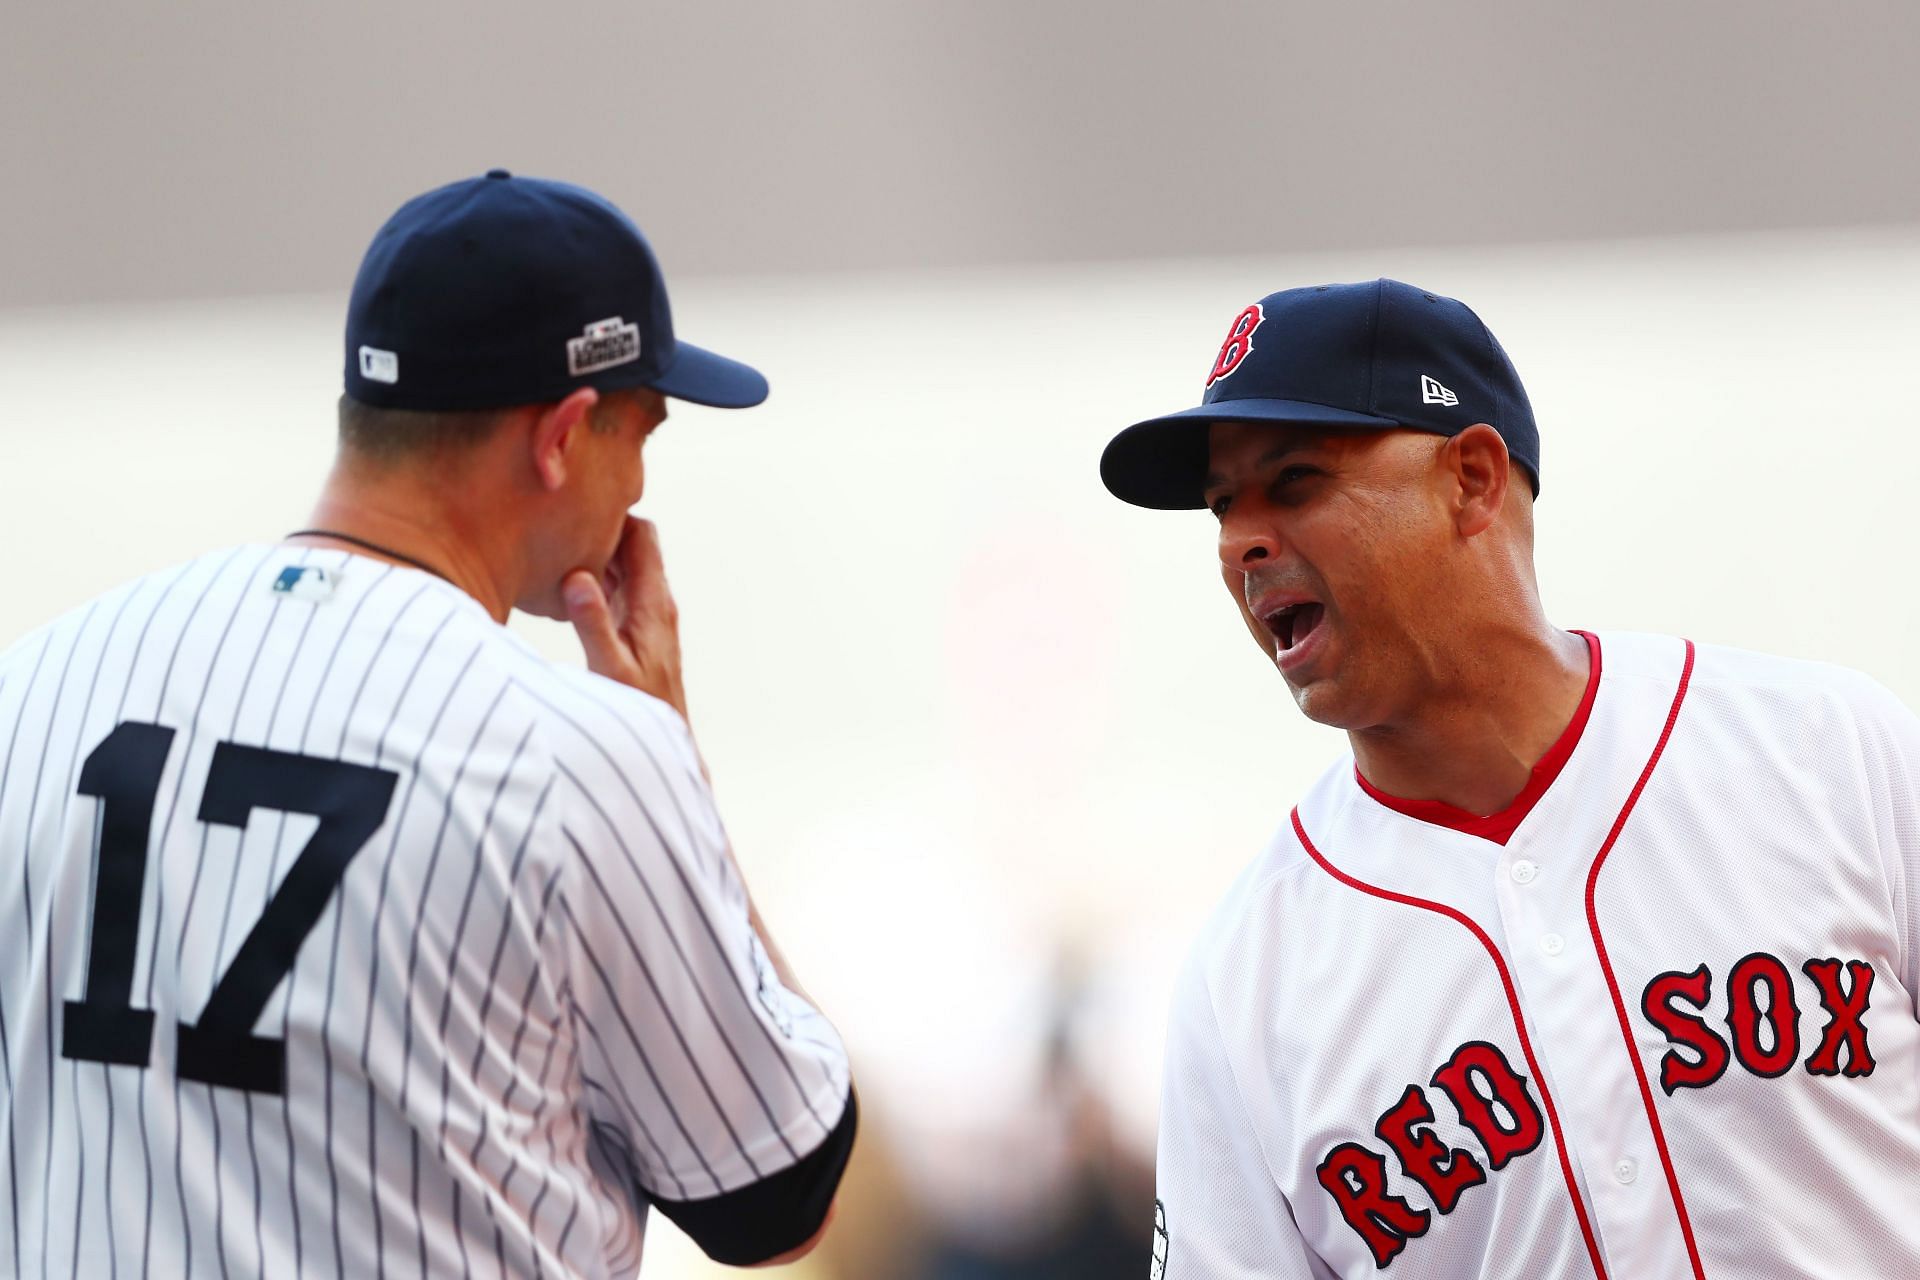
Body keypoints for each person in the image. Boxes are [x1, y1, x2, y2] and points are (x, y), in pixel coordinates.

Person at [0, 170, 855, 1277]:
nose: (638, 484)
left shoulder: (38, 679)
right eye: (641, 431)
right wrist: (673, 765)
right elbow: (780, 1190)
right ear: (562, 436)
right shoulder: (579, 753)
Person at [1100, 279, 1920, 1279]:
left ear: (1474, 478)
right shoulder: (1245, 981)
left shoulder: (1828, 750)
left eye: (1298, 480)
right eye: (1225, 505)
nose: (1241, 541)